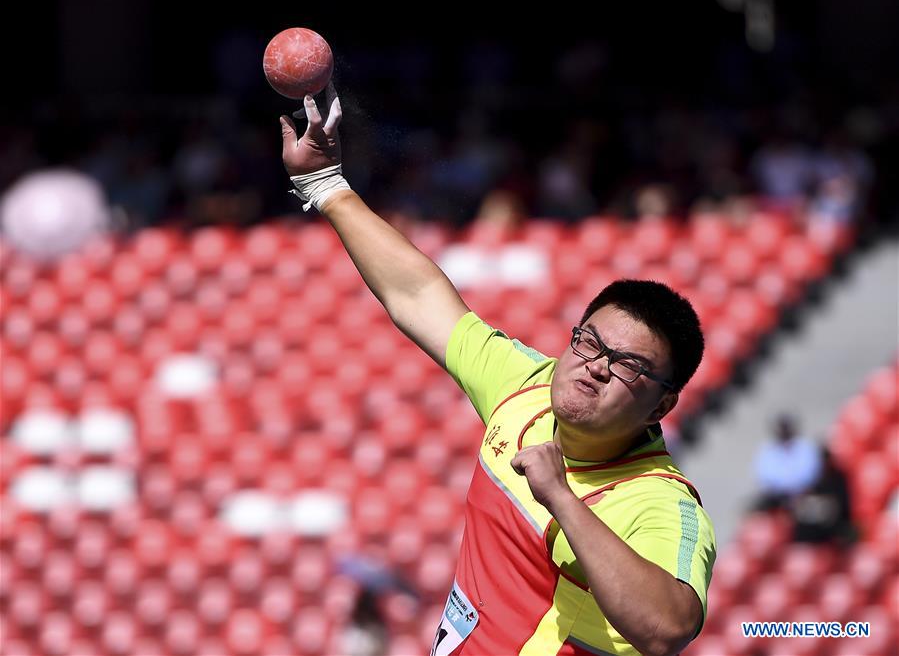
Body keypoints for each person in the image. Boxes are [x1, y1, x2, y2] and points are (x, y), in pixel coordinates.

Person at [279, 86, 716, 656]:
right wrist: (327, 185)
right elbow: (419, 294)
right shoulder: (526, 387)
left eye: (629, 365)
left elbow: (666, 629)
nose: (596, 368)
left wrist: (560, 497)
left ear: (663, 404)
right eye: (589, 343)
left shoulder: (659, 502)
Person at [753, 415, 822, 511]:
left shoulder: (805, 447)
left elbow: (810, 473)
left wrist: (796, 491)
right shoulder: (768, 449)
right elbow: (764, 476)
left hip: (804, 494)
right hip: (775, 496)